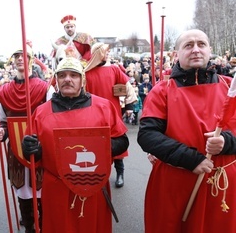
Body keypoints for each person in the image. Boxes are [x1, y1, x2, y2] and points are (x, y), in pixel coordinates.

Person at [137, 29, 236, 233]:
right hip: (176, 183)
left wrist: (227, 141)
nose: (196, 50)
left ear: (210, 50)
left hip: (223, 185)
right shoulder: (162, 91)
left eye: (201, 44)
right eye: (188, 45)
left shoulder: (230, 88)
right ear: (177, 54)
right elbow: (148, 135)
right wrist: (191, 159)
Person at [22, 57, 129, 232]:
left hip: (93, 184)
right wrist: (30, 149)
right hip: (56, 188)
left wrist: (102, 147)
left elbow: (122, 141)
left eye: (74, 75)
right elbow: (33, 156)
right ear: (56, 80)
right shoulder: (40, 113)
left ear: (82, 80)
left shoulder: (103, 106)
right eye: (62, 75)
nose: (67, 79)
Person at [0, 47, 53, 233]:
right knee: (23, 191)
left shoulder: (45, 88)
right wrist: (1, 133)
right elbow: (3, 122)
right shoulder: (4, 91)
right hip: (16, 149)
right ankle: (29, 227)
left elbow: (52, 118)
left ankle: (45, 225)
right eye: (16, 56)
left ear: (31, 60)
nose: (20, 59)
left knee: (42, 190)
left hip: (40, 147)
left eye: (24, 56)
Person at [85, 43, 137, 188]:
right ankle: (101, 174)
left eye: (108, 52)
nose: (108, 54)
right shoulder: (86, 73)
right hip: (94, 115)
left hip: (113, 113)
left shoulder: (114, 69)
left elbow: (127, 87)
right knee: (97, 145)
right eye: (105, 52)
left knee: (117, 143)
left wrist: (129, 106)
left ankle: (120, 173)